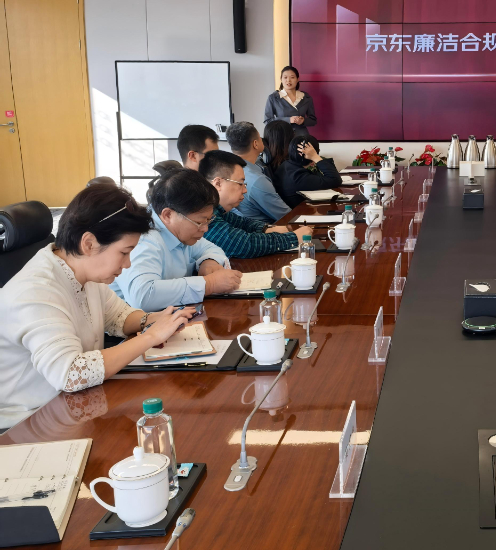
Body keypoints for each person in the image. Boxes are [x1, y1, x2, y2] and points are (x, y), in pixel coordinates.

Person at [0, 184, 194, 428]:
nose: (127, 264)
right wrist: (151, 336)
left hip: (77, 406)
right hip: (29, 423)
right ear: (89, 243)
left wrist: (152, 320)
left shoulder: (82, 271)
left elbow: (118, 316)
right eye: (124, 252)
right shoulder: (36, 292)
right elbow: (71, 374)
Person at [111, 167, 242, 311]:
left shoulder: (182, 233)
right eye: (200, 221)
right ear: (168, 215)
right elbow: (142, 296)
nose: (205, 228)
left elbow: (210, 248)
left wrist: (208, 261)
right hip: (132, 323)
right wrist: (209, 284)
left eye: (208, 220)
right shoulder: (144, 239)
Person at [199, 150, 312, 259]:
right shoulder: (202, 213)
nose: (245, 190)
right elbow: (245, 245)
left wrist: (266, 229)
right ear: (218, 183)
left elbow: (243, 223)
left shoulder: (218, 209)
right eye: (240, 184)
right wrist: (294, 238)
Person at [226, 121, 292, 223]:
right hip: (267, 229)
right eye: (260, 138)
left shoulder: (226, 167)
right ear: (255, 144)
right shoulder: (257, 180)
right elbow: (287, 216)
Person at [275, 135, 342, 207]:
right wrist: (315, 157)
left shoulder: (287, 165)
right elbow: (335, 180)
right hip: (300, 212)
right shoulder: (298, 176)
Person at [264, 65, 316, 138]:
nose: (288, 80)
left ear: (297, 79)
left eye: (292, 77)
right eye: (285, 77)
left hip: (301, 137)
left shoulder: (306, 97)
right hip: (282, 137)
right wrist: (289, 120)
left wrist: (303, 121)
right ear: (281, 79)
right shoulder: (273, 98)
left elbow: (313, 120)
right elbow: (268, 121)